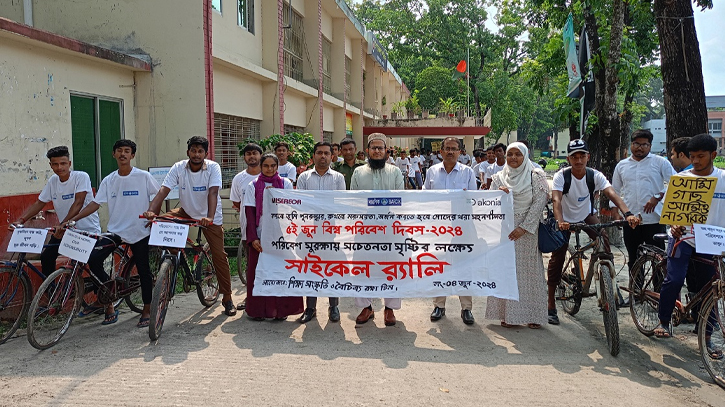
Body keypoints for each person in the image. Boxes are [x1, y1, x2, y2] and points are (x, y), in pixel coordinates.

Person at [547, 139, 639, 325]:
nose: (578, 160)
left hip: (586, 215)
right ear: (569, 158)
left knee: (603, 240)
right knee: (558, 255)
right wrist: (560, 221)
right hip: (564, 218)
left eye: (582, 156)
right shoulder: (561, 176)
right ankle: (550, 302)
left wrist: (627, 213)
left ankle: (610, 281)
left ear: (588, 157)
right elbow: (556, 201)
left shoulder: (595, 176)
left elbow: (612, 193)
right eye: (574, 156)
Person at [69, 140, 160, 326]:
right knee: (93, 260)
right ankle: (109, 297)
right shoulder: (109, 180)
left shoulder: (143, 177)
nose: (123, 154)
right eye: (119, 151)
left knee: (144, 271)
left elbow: (157, 197)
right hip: (115, 231)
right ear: (113, 154)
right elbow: (95, 204)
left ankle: (147, 308)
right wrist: (74, 218)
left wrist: (153, 213)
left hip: (139, 231)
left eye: (127, 151)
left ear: (132, 155)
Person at [145, 136, 237, 316]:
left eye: (200, 151)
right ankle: (171, 260)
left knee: (219, 255)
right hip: (186, 211)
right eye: (193, 150)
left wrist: (209, 217)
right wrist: (151, 211)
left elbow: (213, 192)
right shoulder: (179, 167)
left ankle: (227, 296)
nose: (196, 154)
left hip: (210, 216)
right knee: (158, 222)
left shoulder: (213, 168)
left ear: (206, 153)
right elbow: (163, 190)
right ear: (188, 152)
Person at [655, 134, 725, 350]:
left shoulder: (723, 178)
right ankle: (664, 321)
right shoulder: (682, 180)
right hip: (684, 237)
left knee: (712, 287)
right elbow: (670, 212)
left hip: (713, 240)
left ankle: (707, 338)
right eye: (693, 156)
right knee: (674, 280)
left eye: (701, 156)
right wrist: (673, 226)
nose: (696, 161)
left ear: (713, 155)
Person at [485, 142, 549, 328]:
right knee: (506, 271)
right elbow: (490, 203)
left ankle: (533, 315)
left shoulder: (535, 176)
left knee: (528, 274)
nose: (513, 158)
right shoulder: (498, 178)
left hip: (527, 233)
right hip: (504, 231)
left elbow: (540, 201)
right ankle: (507, 315)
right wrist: (500, 195)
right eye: (510, 154)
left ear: (525, 156)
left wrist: (524, 227)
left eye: (517, 154)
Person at [11, 146, 101, 277]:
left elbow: (79, 202)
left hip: (87, 231)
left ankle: (106, 292)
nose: (60, 167)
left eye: (63, 163)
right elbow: (40, 203)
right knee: (47, 256)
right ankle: (51, 292)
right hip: (65, 230)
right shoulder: (53, 181)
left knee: (94, 266)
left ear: (69, 164)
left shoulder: (81, 177)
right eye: (55, 164)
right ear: (51, 165)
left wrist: (63, 223)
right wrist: (21, 220)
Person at [351, 132, 404, 326]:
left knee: (392, 266)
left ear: (386, 152)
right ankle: (366, 307)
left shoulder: (395, 172)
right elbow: (355, 200)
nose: (377, 151)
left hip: (391, 227)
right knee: (363, 266)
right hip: (365, 228)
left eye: (380, 148)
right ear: (367, 151)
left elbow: (399, 199)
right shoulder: (358, 172)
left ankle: (389, 309)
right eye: (373, 147)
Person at [424, 137, 478, 325]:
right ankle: (439, 305)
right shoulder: (431, 172)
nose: (450, 152)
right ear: (440, 151)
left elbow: (473, 200)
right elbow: (424, 199)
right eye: (447, 148)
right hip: (438, 230)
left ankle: (466, 308)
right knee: (440, 265)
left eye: (454, 149)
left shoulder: (468, 173)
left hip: (461, 228)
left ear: (460, 152)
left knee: (465, 267)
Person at [243, 153, 301, 320]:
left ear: (277, 167)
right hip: (260, 236)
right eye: (266, 166)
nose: (269, 169)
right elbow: (250, 212)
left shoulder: (285, 184)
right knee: (259, 272)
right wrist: (253, 238)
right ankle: (258, 311)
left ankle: (281, 311)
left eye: (273, 166)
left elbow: (291, 210)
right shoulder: (253, 185)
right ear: (261, 166)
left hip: (282, 237)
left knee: (281, 272)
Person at [610, 129, 675, 276]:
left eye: (644, 144)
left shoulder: (660, 162)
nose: (640, 147)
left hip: (655, 219)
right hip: (631, 219)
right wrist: (614, 210)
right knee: (634, 258)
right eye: (636, 144)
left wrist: (658, 196)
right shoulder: (622, 165)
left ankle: (658, 295)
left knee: (658, 259)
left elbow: (675, 184)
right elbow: (614, 190)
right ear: (631, 144)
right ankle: (636, 294)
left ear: (650, 146)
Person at [296, 142, 346, 324]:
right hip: (309, 228)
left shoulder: (338, 178)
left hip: (331, 228)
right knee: (311, 267)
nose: (323, 156)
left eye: (326, 153)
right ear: (313, 156)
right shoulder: (304, 177)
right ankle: (310, 308)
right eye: (319, 153)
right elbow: (301, 203)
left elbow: (340, 202)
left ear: (332, 156)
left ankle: (334, 306)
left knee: (332, 267)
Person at [229, 142, 263, 310]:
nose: (252, 156)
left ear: (260, 156)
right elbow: (236, 201)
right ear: (244, 157)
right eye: (248, 154)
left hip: (270, 231)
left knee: (271, 264)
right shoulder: (239, 178)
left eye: (255, 153)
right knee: (251, 266)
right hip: (248, 230)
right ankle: (250, 298)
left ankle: (270, 299)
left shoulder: (269, 175)